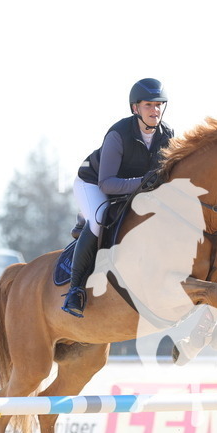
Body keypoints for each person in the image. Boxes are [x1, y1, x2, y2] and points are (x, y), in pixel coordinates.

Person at [62, 78, 175, 318]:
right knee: (99, 220)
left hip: (133, 187)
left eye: (159, 105)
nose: (155, 111)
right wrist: (145, 184)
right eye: (148, 105)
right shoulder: (119, 134)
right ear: (135, 108)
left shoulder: (168, 135)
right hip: (94, 184)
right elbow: (107, 183)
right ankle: (75, 290)